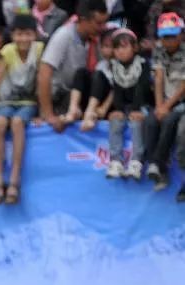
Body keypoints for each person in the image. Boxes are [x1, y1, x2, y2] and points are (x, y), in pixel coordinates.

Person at [0, 14, 44, 205]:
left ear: (34, 35)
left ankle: (14, 182)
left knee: (17, 124)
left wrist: (41, 113)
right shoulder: (7, 51)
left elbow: (41, 83)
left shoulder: (39, 50)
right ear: (13, 35)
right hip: (6, 103)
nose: (23, 39)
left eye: (27, 34)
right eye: (18, 34)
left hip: (28, 103)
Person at [79, 28, 150, 179]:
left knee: (136, 124)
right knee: (116, 122)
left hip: (141, 105)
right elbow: (117, 89)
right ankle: (116, 161)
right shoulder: (114, 66)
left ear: (135, 47)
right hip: (124, 106)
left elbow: (141, 88)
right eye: (116, 48)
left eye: (124, 47)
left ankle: (136, 161)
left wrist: (136, 110)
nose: (120, 51)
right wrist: (117, 109)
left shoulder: (143, 65)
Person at [37, 0, 109, 132]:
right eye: (99, 23)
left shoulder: (96, 39)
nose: (102, 27)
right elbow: (44, 73)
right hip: (61, 97)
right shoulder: (63, 35)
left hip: (78, 93)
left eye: (104, 22)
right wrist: (48, 114)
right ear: (83, 20)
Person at [144, 12, 185, 191]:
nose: (168, 41)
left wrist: (167, 107)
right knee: (152, 120)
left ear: (182, 34)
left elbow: (184, 86)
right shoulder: (159, 50)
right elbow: (158, 78)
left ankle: (156, 163)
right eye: (165, 37)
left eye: (173, 36)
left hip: (182, 100)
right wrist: (160, 107)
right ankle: (161, 173)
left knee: (169, 121)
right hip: (166, 99)